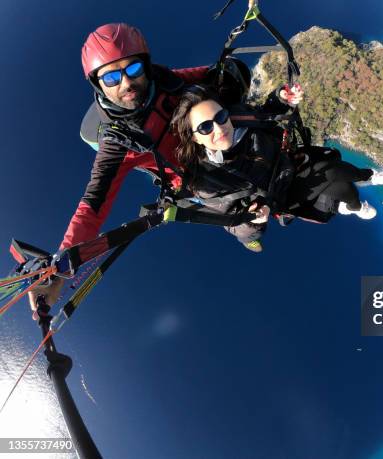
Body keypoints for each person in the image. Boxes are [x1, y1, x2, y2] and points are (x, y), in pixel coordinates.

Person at [26, 23, 260, 312]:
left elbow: (202, 75)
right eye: (111, 77)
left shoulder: (165, 81)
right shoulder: (117, 142)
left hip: (206, 139)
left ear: (146, 67)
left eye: (132, 69)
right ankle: (249, 234)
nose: (125, 83)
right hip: (190, 175)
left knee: (253, 141)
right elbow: (94, 202)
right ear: (97, 85)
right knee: (240, 213)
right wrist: (61, 268)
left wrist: (227, 72)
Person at [170, 85, 383, 252]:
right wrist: (253, 221)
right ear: (195, 139)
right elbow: (232, 224)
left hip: (290, 166)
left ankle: (355, 204)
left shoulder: (240, 119)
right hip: (280, 197)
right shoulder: (208, 181)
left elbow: (265, 114)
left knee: (344, 188)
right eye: (206, 127)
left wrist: (281, 97)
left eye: (220, 116)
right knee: (332, 172)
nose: (219, 128)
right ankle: (368, 176)